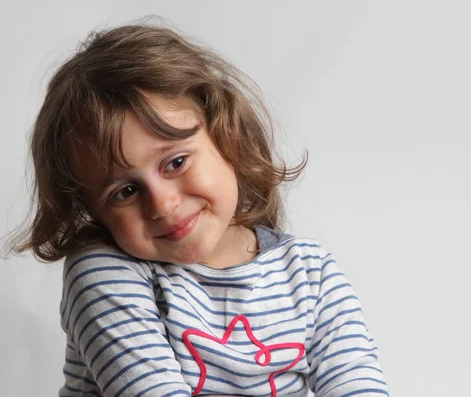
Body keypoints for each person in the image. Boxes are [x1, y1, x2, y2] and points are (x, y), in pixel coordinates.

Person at [12, 23, 389, 396]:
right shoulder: (105, 273)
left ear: (227, 136)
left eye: (175, 163)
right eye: (125, 191)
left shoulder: (311, 273)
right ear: (93, 211)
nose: (162, 203)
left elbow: (357, 385)